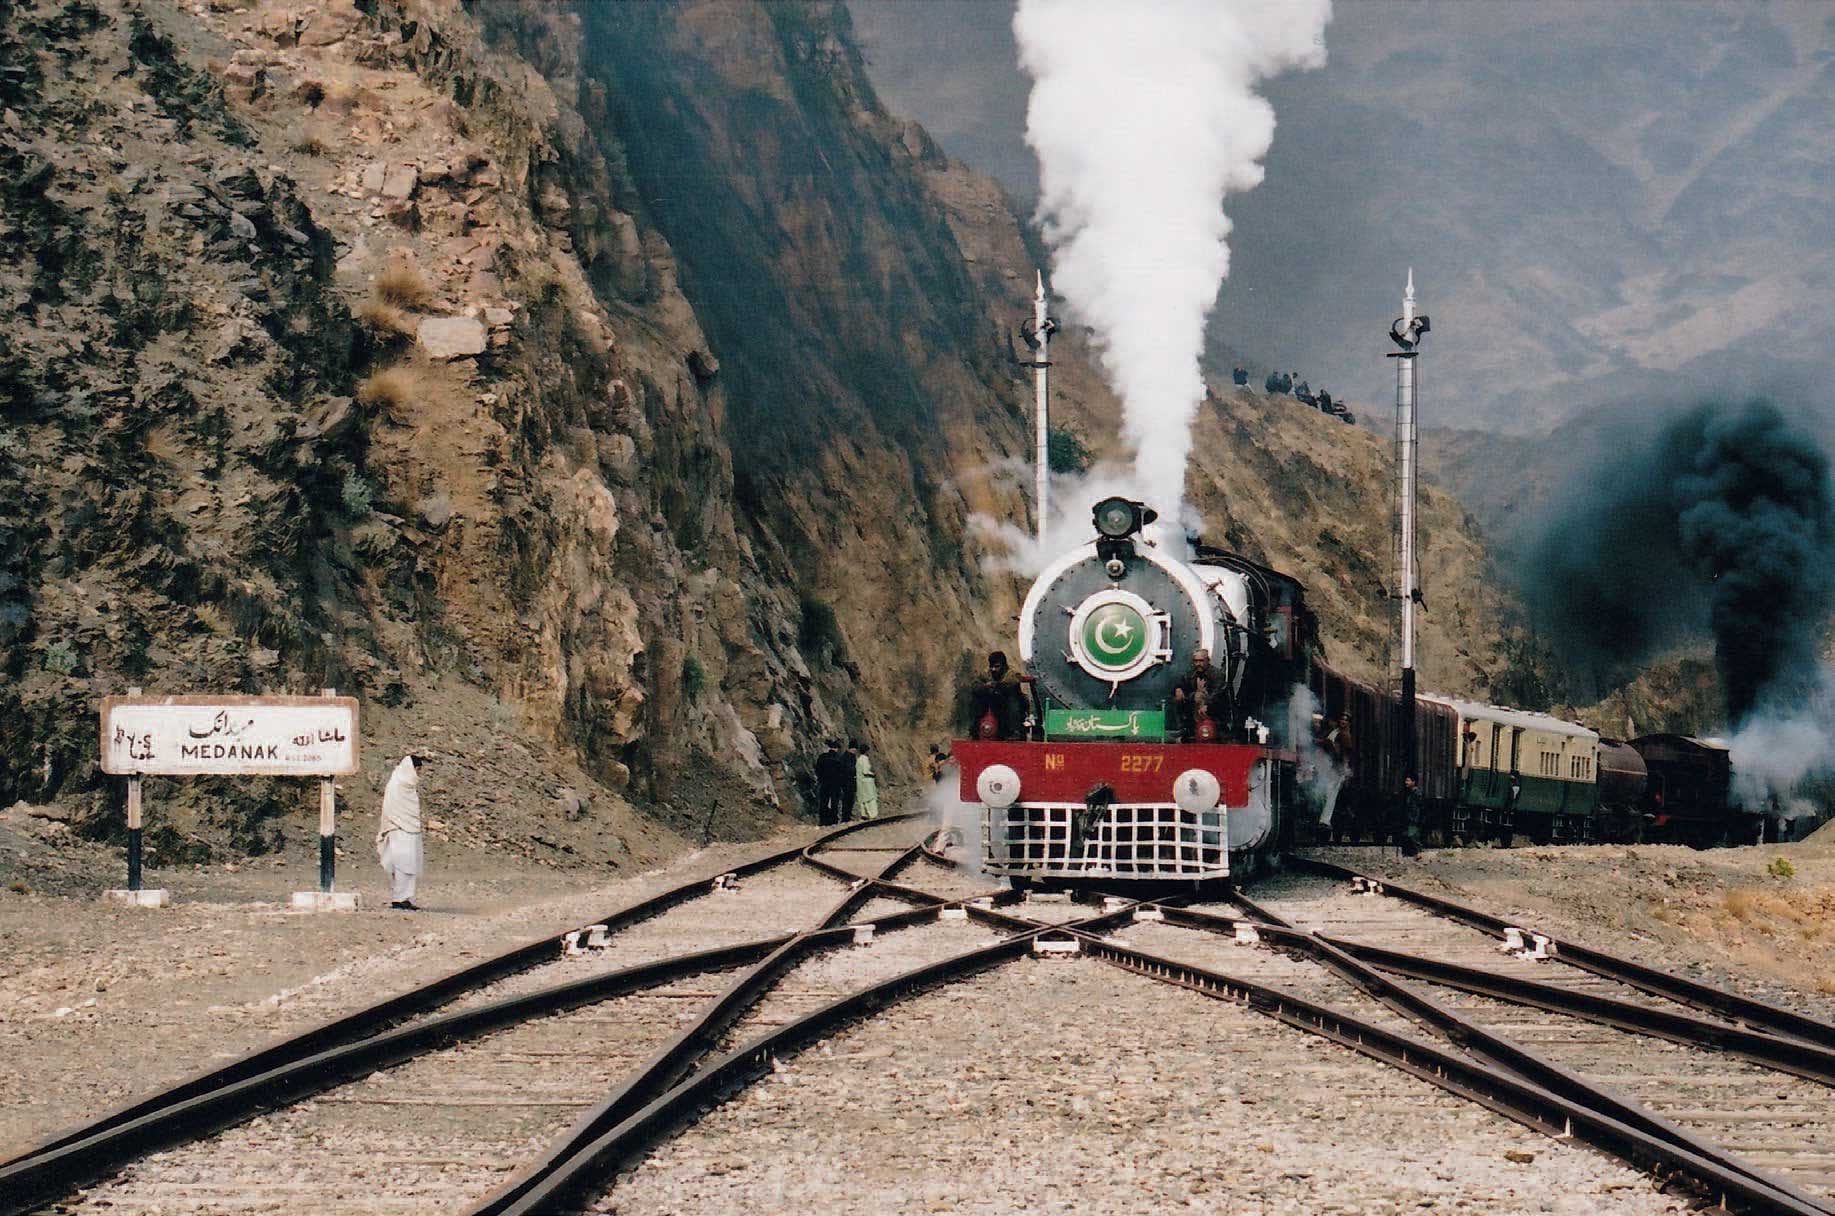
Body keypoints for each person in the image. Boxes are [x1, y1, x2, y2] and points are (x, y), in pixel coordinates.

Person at [376, 754, 425, 910]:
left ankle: (405, 897)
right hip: (397, 828)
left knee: (409, 864)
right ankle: (399, 898)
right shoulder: (396, 784)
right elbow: (390, 807)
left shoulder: (408, 785)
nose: (418, 773)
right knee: (401, 864)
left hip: (410, 829)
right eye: (417, 769)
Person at [968, 651, 1028, 739]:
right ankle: (974, 730)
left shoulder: (1012, 675)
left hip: (1007, 708)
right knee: (976, 699)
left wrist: (996, 686)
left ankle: (1015, 731)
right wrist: (985, 687)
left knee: (1013, 700)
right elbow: (975, 685)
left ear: (1003, 666)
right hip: (992, 706)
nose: (993, 669)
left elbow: (1010, 685)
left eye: (996, 667)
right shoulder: (986, 674)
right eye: (991, 667)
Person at [1171, 649, 1227, 740]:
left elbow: (1218, 693)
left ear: (1207, 660)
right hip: (1193, 703)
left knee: (1199, 696)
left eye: (1201, 661)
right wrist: (1178, 689)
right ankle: (1183, 728)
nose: (1198, 664)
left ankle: (1206, 729)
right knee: (1180, 699)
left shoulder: (1216, 674)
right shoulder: (1190, 674)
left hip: (1214, 705)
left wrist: (1207, 704)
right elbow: (1181, 683)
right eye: (1196, 661)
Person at [814, 740, 849, 826]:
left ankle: (823, 820)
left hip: (824, 783)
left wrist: (820, 778)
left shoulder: (822, 757)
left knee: (823, 801)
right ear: (836, 749)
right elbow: (843, 773)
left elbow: (817, 770)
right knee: (834, 802)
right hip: (835, 784)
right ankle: (833, 820)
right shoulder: (839, 758)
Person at [1400, 774, 1423, 857]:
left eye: (1408, 780)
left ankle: (1418, 854)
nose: (1406, 782)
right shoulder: (1409, 793)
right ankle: (1407, 854)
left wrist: (1415, 818)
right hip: (1408, 818)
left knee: (1413, 837)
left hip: (1413, 819)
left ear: (1413, 782)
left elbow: (1417, 808)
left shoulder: (1417, 794)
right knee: (1406, 836)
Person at [855, 741, 879, 820]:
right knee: (871, 798)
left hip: (861, 782)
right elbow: (865, 771)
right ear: (866, 751)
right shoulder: (865, 759)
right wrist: (873, 774)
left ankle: (864, 813)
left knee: (863, 798)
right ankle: (873, 814)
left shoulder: (858, 760)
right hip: (867, 781)